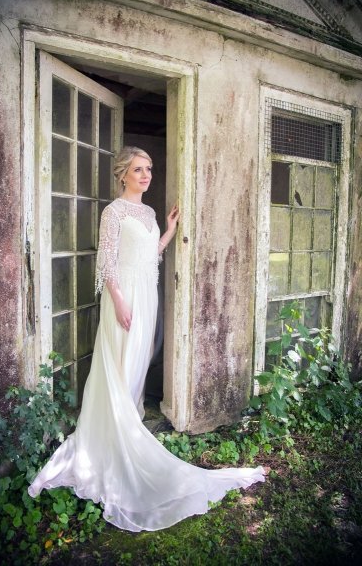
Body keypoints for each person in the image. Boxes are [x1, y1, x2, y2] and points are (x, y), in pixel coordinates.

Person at [28, 146, 265, 532]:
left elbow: (148, 256)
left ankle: (131, 421)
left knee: (138, 363)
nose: (146, 175)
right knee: (120, 363)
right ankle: (115, 437)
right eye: (138, 169)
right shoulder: (113, 212)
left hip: (146, 294)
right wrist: (119, 300)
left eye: (149, 169)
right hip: (123, 297)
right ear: (123, 174)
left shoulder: (150, 213)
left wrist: (168, 231)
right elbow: (107, 261)